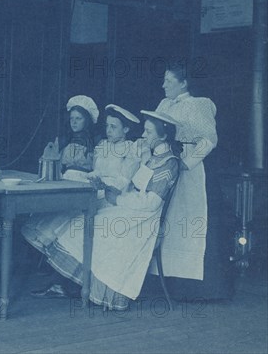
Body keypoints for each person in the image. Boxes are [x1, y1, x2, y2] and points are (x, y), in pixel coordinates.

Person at [26, 110, 181, 310]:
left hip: (143, 220)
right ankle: (68, 285)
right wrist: (112, 193)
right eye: (144, 131)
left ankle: (75, 287)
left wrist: (118, 199)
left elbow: (151, 203)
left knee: (86, 225)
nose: (143, 136)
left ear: (163, 135)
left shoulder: (169, 163)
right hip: (132, 210)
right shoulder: (154, 158)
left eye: (149, 132)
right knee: (79, 220)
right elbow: (136, 187)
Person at [22, 103, 141, 273]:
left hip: (112, 195)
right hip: (93, 187)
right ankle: (45, 258)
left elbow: (124, 181)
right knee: (65, 205)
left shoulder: (132, 149)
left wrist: (103, 186)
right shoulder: (103, 146)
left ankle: (58, 263)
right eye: (107, 126)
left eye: (114, 127)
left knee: (75, 211)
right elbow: (95, 170)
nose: (108, 130)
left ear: (127, 130)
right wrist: (91, 178)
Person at [154, 63, 231, 300]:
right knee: (169, 223)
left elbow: (209, 139)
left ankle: (197, 289)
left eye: (169, 80)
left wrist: (186, 163)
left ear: (184, 83)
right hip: (169, 166)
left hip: (191, 172)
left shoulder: (199, 105)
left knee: (190, 223)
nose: (164, 85)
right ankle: (166, 282)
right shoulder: (165, 104)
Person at [59, 95, 99, 177]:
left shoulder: (95, 141)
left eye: (78, 118)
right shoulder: (65, 140)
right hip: (64, 180)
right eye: (71, 118)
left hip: (84, 181)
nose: (74, 122)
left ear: (86, 120)